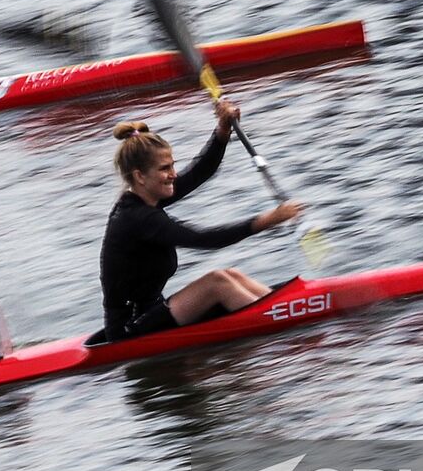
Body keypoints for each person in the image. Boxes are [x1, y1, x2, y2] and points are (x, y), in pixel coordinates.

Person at [98, 100, 302, 342]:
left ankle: (290, 308)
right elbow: (204, 239)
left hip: (151, 312)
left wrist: (222, 130)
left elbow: (199, 172)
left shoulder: (147, 198)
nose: (173, 174)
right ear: (140, 176)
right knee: (217, 282)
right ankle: (286, 330)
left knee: (230, 274)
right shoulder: (137, 218)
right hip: (128, 331)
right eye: (165, 168)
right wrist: (269, 219)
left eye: (172, 165)